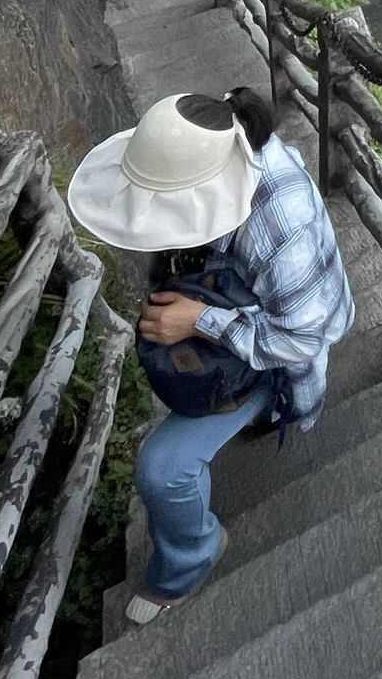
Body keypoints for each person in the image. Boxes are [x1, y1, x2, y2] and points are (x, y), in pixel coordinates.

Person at [67, 84, 355, 626]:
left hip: (281, 350)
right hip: (243, 304)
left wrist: (197, 320)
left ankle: (190, 559)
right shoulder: (216, 139)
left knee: (163, 469)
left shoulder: (279, 222)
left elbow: (298, 338)